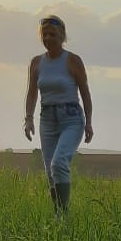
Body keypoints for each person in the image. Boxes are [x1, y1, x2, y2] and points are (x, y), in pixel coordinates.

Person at [23, 14, 93, 213]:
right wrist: (28, 118)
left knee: (59, 163)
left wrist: (89, 122)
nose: (48, 39)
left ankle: (63, 216)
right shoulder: (37, 63)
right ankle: (59, 218)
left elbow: (85, 92)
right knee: (50, 172)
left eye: (52, 34)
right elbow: (31, 93)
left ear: (62, 36)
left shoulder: (72, 61)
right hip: (47, 120)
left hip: (71, 118)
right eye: (44, 35)